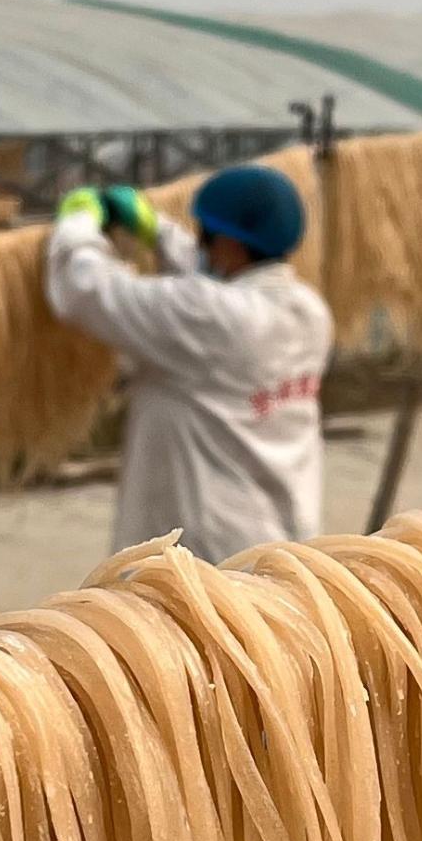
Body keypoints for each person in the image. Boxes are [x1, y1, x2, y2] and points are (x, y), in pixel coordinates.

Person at [42, 164, 333, 562]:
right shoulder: (309, 312)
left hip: (209, 558)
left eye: (205, 237)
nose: (200, 248)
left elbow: (87, 289)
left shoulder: (212, 319)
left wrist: (77, 225)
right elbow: (213, 290)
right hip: (286, 542)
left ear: (230, 244)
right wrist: (155, 232)